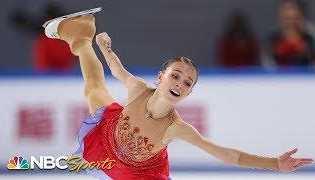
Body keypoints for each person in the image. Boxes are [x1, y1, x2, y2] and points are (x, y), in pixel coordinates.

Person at [44, 14, 313, 179]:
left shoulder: (177, 128)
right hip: (106, 137)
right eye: (175, 76)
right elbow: (117, 70)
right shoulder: (138, 89)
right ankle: (81, 34)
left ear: (189, 92)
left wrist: (274, 164)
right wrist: (105, 48)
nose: (180, 84)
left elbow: (227, 156)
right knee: (93, 87)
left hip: (138, 175)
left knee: (94, 89)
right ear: (161, 77)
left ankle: (81, 36)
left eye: (187, 82)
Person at [267, 0, 315, 67]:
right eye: (286, 18)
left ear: (301, 15)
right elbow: (267, 65)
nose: (290, 21)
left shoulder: (309, 39)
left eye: (293, 18)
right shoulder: (272, 39)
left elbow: (312, 64)